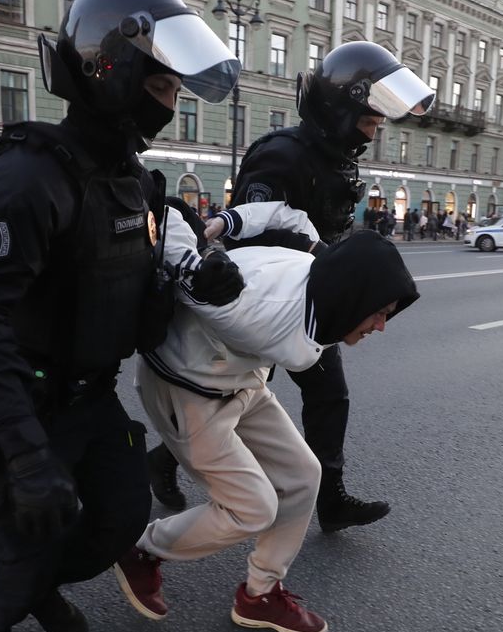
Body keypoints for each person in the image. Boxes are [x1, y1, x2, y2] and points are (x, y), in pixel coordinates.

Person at [0, 0, 241, 632]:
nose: (171, 104)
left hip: (92, 395)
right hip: (24, 401)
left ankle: (35, 586)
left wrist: (193, 282)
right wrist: (26, 452)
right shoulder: (30, 177)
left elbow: (125, 293)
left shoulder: (131, 179)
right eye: (161, 86)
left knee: (118, 519)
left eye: (175, 89)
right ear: (111, 71)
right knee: (34, 528)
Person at [143, 41, 433, 532]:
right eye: (369, 118)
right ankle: (175, 462)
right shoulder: (282, 156)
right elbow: (256, 233)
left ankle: (326, 496)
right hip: (277, 301)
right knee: (254, 394)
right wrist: (322, 260)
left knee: (299, 395)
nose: (375, 128)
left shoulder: (334, 153)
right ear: (340, 109)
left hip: (316, 296)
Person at [116, 222, 419, 632]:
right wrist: (198, 262)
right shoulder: (257, 308)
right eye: (379, 312)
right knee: (252, 508)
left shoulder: (321, 285)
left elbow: (282, 216)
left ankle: (259, 595)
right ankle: (141, 550)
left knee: (303, 475)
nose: (382, 326)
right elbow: (170, 232)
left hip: (239, 379)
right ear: (355, 297)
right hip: (186, 389)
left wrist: (229, 226)